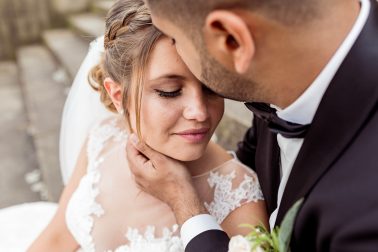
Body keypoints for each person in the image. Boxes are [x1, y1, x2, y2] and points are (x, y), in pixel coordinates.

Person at [0, 0, 268, 251]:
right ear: (118, 96)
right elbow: (56, 238)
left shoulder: (239, 195)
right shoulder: (103, 137)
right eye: (170, 91)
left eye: (211, 87)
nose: (199, 112)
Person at [126, 0, 378, 251]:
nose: (176, 52)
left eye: (175, 39)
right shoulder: (284, 72)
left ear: (233, 40)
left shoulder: (365, 219)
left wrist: (187, 206)